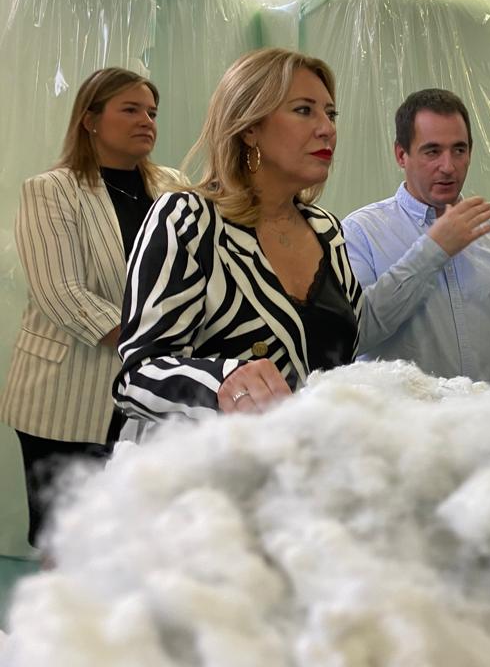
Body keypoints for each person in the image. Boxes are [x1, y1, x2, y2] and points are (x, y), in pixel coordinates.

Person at [114, 48, 365, 438]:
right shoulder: (188, 219)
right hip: (205, 467)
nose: (326, 129)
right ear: (250, 128)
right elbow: (137, 378)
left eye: (331, 114)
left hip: (305, 464)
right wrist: (223, 382)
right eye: (304, 110)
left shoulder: (327, 231)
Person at [0, 67, 174, 545]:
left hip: (150, 392)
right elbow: (62, 293)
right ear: (90, 120)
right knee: (65, 537)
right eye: (131, 109)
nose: (147, 121)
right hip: (65, 396)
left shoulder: (174, 188)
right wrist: (152, 346)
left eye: (152, 112)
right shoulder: (51, 190)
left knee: (132, 534)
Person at [341, 88, 490, 383]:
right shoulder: (361, 234)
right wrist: (433, 249)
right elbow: (356, 334)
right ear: (401, 155)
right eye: (432, 151)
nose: (448, 167)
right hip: (403, 413)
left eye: (459, 150)